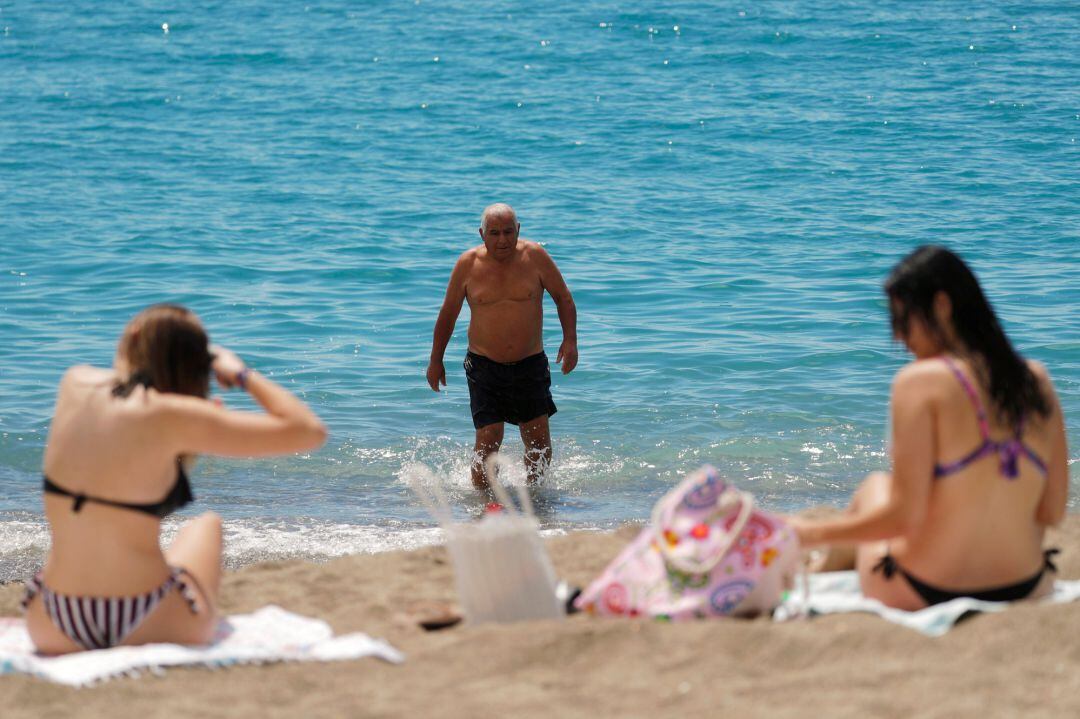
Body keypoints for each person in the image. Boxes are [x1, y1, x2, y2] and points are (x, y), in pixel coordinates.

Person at [23, 304, 327, 654]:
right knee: (204, 526)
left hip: (51, 621)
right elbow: (309, 431)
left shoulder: (75, 383)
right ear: (199, 365)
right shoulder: (177, 417)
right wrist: (239, 373)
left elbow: (119, 400)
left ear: (134, 334)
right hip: (149, 619)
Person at [788, 246, 1069, 610]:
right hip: (1026, 585)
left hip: (927, 589)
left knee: (876, 487)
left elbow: (903, 517)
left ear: (941, 306)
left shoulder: (920, 382)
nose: (899, 339)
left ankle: (822, 569)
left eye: (903, 321)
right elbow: (1051, 512)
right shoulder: (1037, 379)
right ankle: (824, 567)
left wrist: (806, 532)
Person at [426, 203, 578, 490]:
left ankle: (536, 502)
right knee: (488, 438)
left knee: (538, 444)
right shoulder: (467, 264)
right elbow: (448, 314)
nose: (503, 240)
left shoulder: (535, 257)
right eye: (494, 233)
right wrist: (436, 360)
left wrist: (570, 341)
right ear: (482, 234)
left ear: (518, 230)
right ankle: (484, 506)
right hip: (484, 366)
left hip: (529, 363)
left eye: (509, 232)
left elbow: (564, 298)